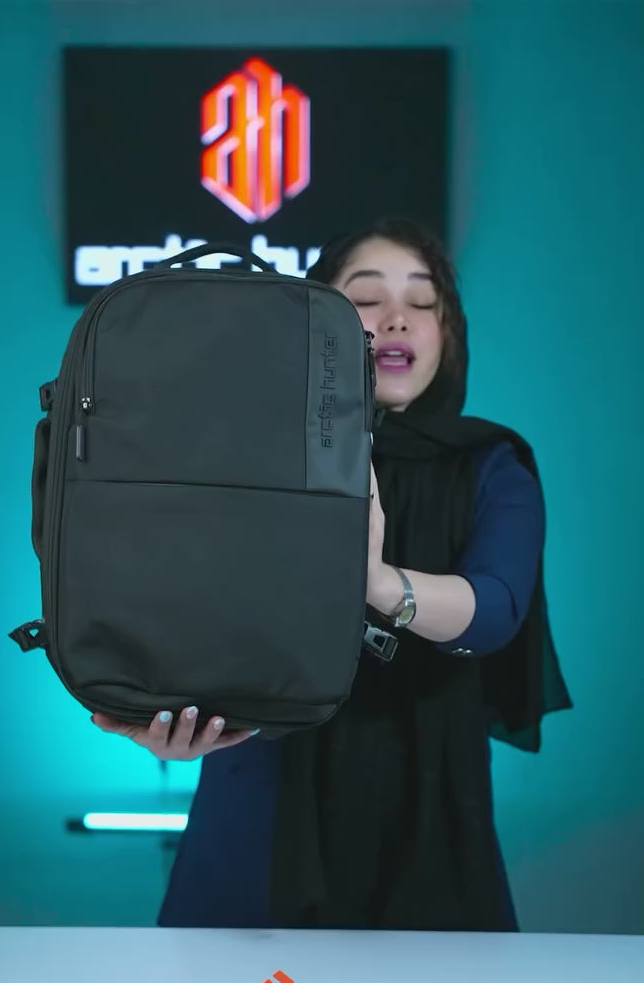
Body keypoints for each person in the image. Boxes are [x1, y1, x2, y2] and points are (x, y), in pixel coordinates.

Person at [92, 216, 571, 932]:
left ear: (448, 332)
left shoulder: (493, 465)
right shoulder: (252, 453)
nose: (398, 317)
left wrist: (374, 582)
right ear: (317, 325)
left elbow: (496, 609)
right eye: (367, 298)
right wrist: (171, 716)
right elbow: (201, 619)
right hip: (260, 814)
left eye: (423, 300)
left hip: (427, 818)